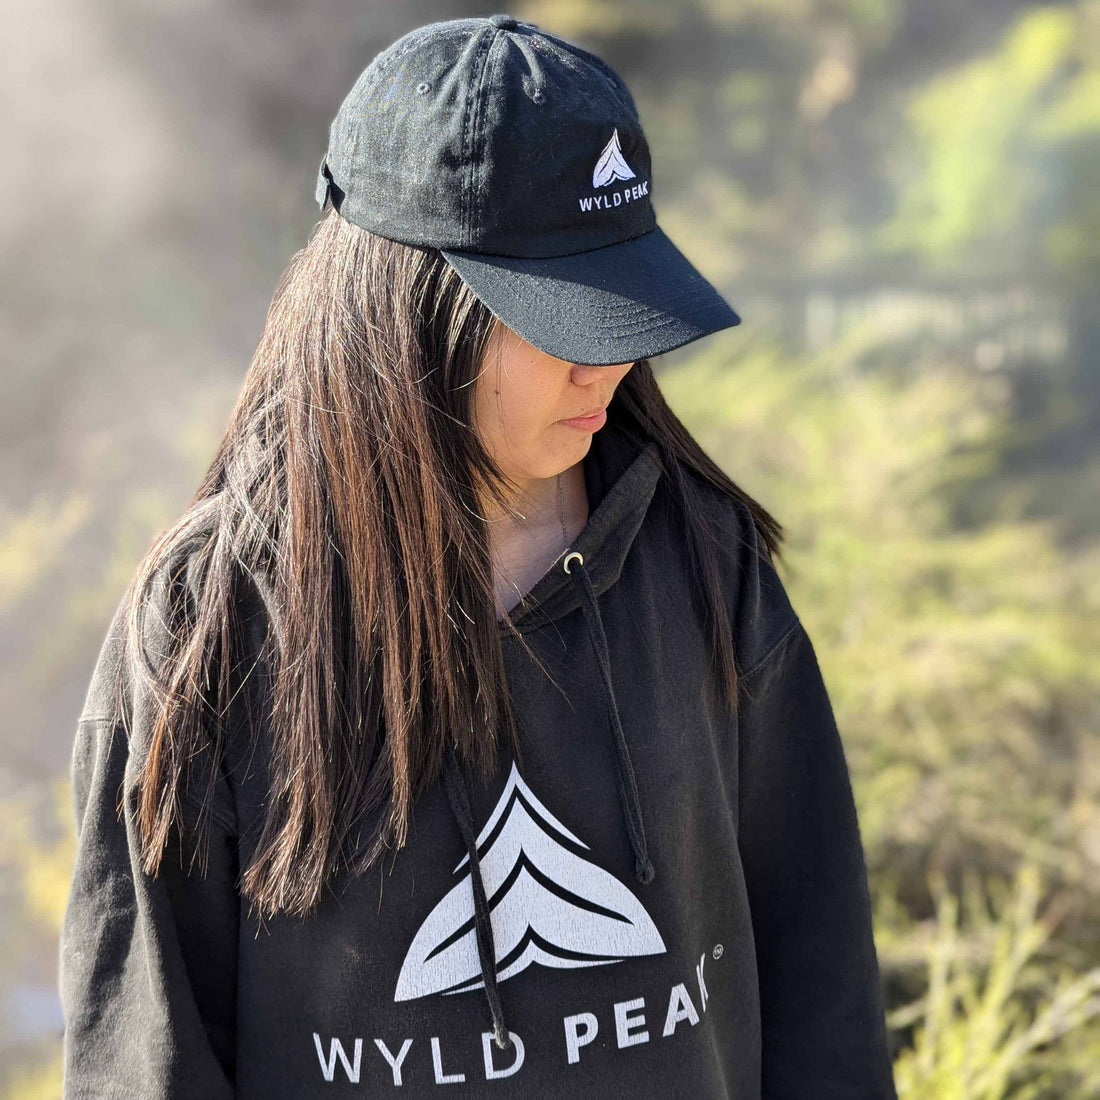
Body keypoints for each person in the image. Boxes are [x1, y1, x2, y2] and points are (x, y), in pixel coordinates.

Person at [58, 13, 897, 1099]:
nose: (610, 363)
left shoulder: (700, 557)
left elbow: (821, 988)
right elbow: (148, 1057)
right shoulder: (211, 626)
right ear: (410, 309)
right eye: (563, 316)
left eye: (624, 301)